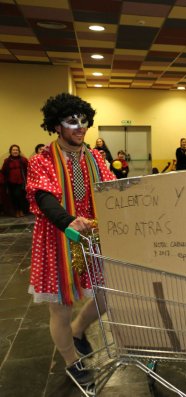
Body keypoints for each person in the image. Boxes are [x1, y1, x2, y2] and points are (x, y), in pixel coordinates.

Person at [26, 93, 115, 386]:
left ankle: (79, 330)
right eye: (71, 121)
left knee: (105, 294)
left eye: (84, 121)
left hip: (92, 236)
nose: (80, 127)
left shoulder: (97, 158)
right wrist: (67, 222)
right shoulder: (41, 161)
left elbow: (112, 189)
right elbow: (43, 196)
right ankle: (71, 361)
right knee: (60, 307)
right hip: (56, 237)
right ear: (57, 125)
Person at [2, 144, 29, 217]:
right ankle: (17, 211)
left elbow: (27, 170)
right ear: (10, 151)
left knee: (19, 196)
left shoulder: (23, 160)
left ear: (19, 151)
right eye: (13, 150)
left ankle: (21, 210)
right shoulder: (7, 161)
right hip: (11, 182)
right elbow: (4, 171)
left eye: (16, 150)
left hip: (21, 182)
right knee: (14, 197)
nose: (15, 151)